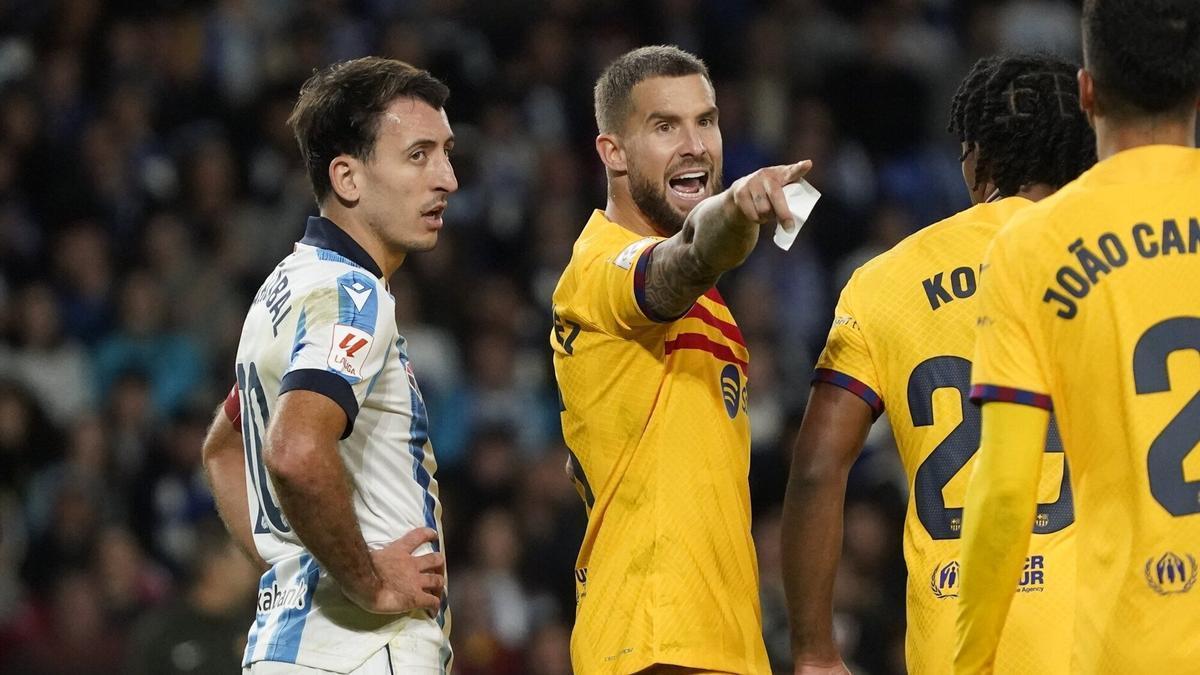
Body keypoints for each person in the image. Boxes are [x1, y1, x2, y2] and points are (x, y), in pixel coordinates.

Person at [780, 54, 1096, 675]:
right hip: (1102, 636)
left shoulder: (885, 281)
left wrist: (815, 651)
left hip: (953, 644)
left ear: (976, 157)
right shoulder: (1124, 264)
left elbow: (817, 469)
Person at [954, 1, 1200, 672]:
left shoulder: (1031, 246)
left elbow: (1006, 488)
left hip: (1131, 641)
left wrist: (969, 660)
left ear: (1087, 91)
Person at [550, 44, 811, 675]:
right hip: (657, 636)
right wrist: (732, 214)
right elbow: (679, 263)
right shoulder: (599, 266)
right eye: (665, 126)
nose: (695, 144)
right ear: (612, 152)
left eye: (707, 120)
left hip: (722, 643)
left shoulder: (713, 309)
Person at [200, 56, 458, 674]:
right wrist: (368, 584)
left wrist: (291, 572)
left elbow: (221, 448)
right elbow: (291, 450)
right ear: (347, 177)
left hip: (288, 649)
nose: (447, 177)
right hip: (369, 650)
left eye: (448, 152)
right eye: (418, 155)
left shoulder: (282, 288)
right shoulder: (353, 295)